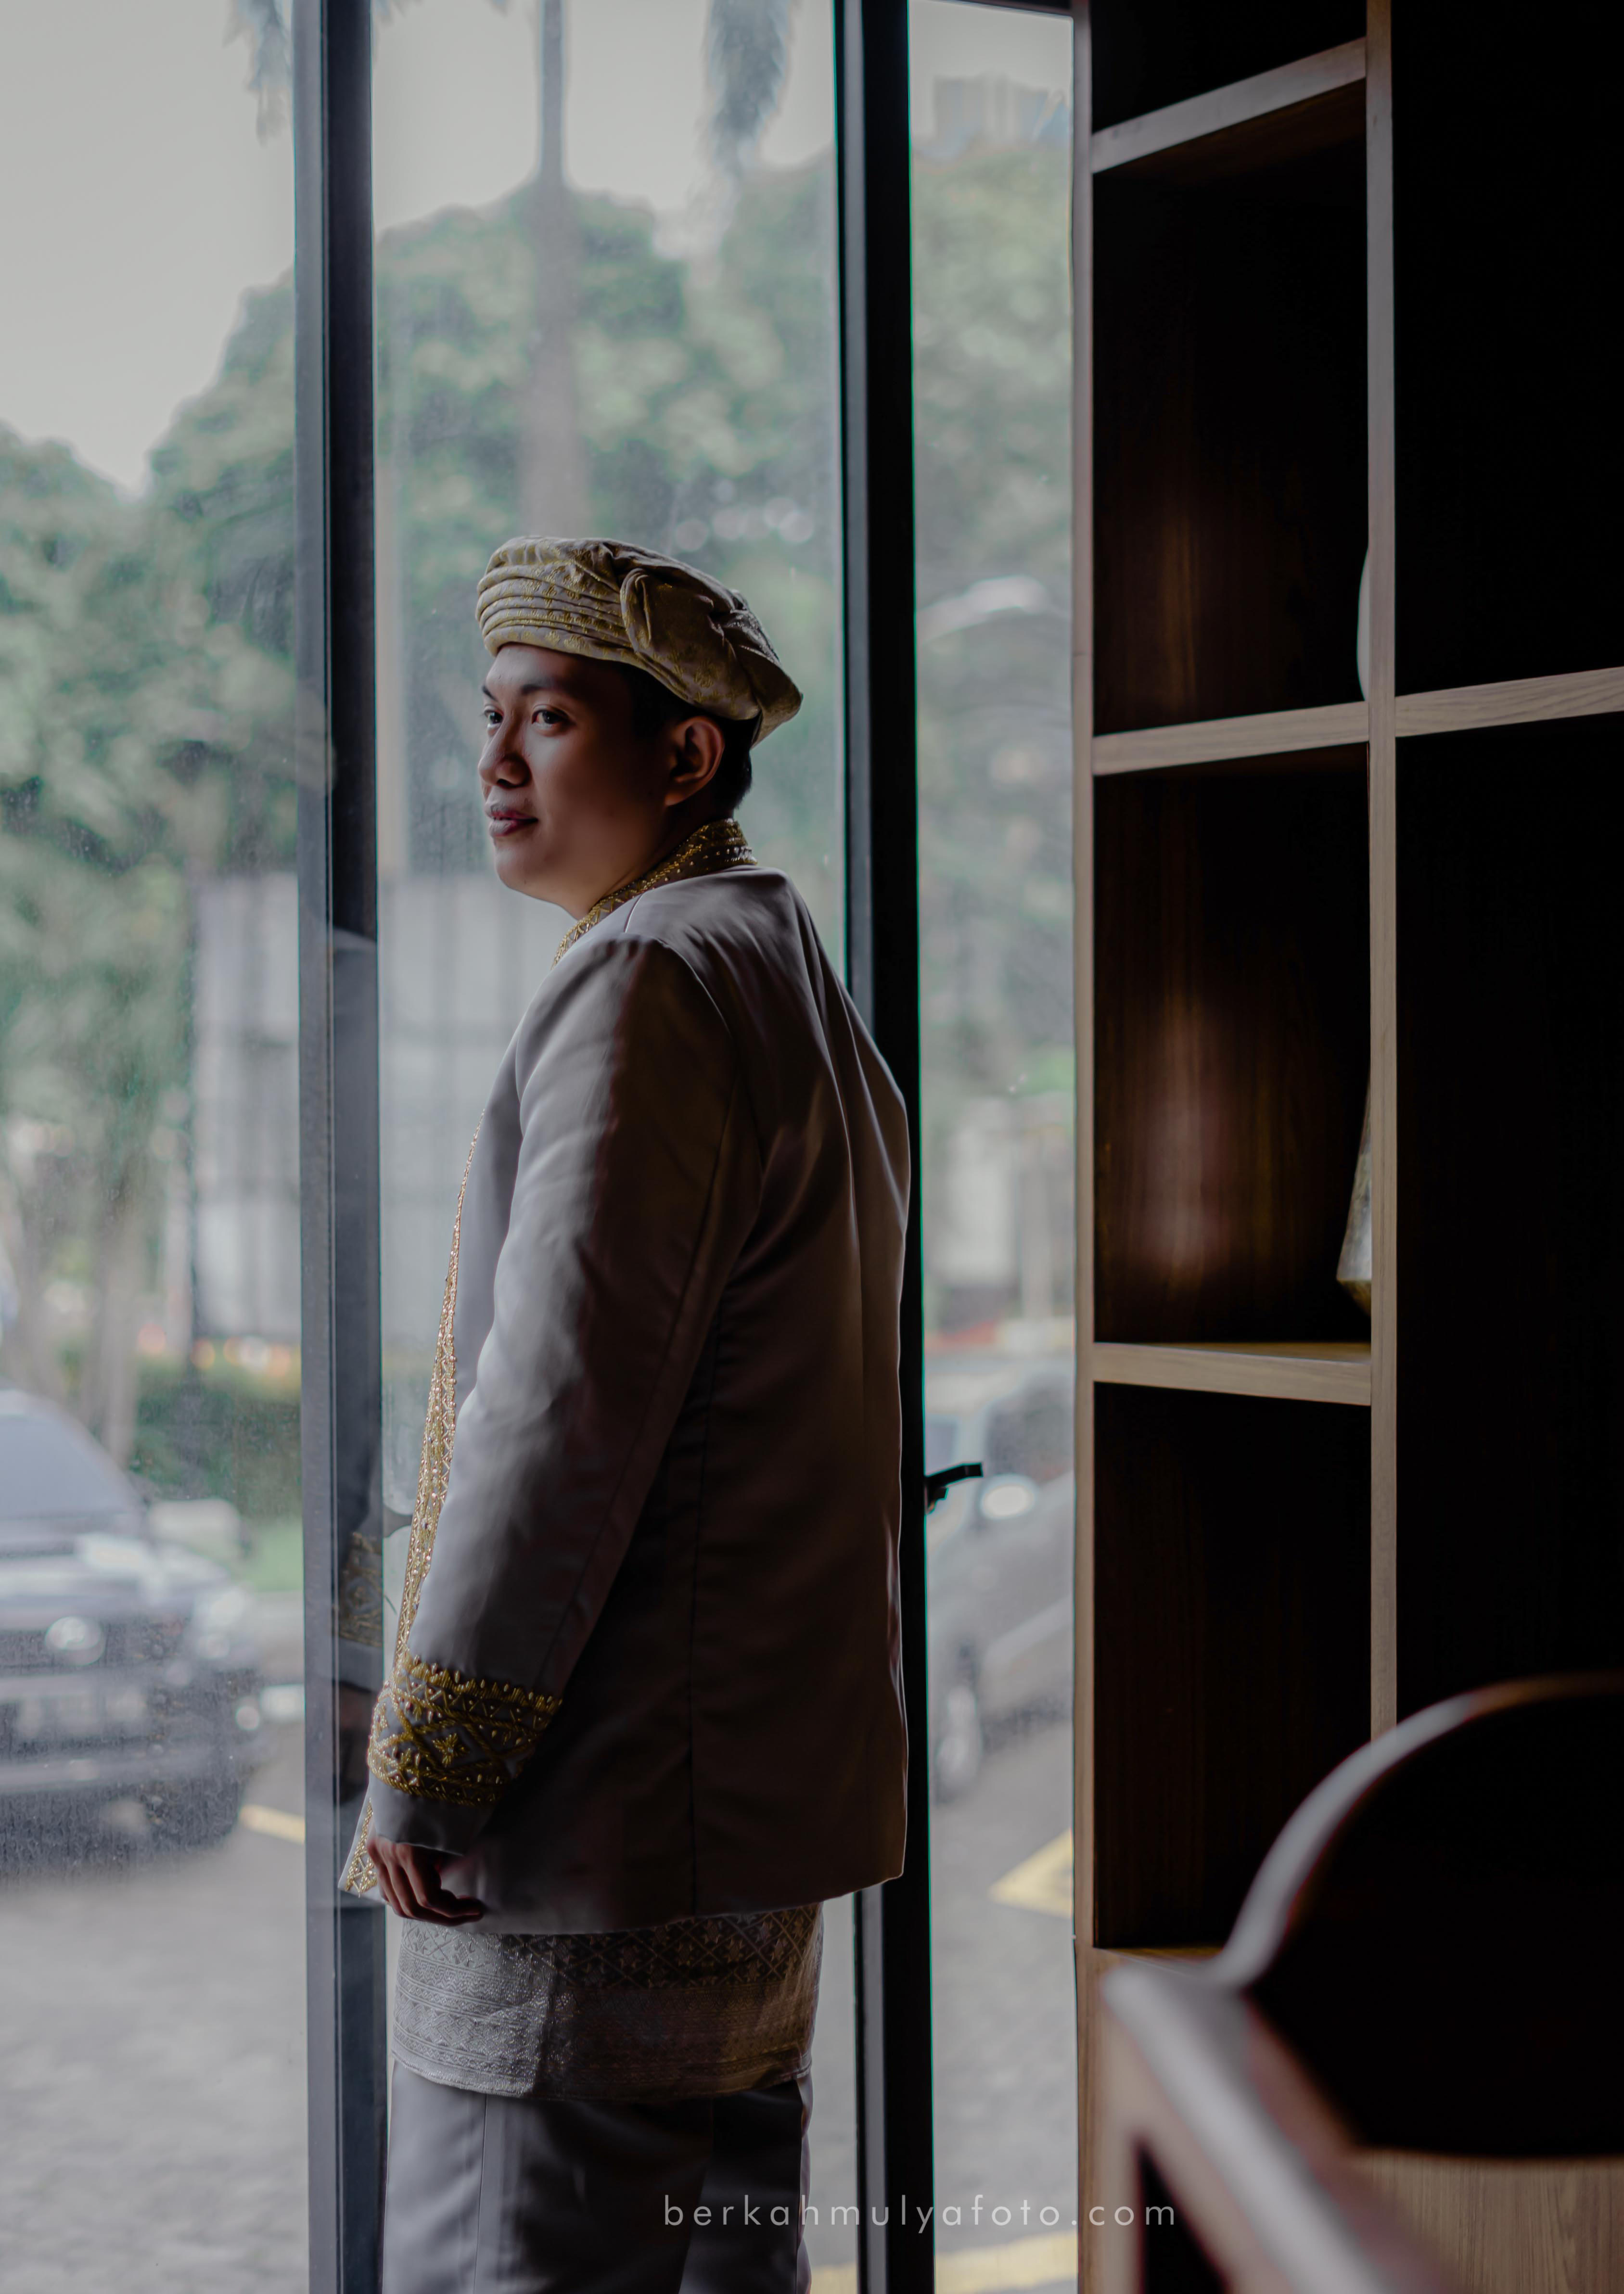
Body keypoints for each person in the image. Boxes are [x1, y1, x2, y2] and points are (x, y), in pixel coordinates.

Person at [341, 537, 911, 2294]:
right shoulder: (777, 959)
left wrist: (431, 1762)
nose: (495, 764)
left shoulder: (651, 975)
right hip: (730, 1833)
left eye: (551, 718)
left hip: (595, 1830)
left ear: (685, 756)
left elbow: (557, 1414)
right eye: (491, 719)